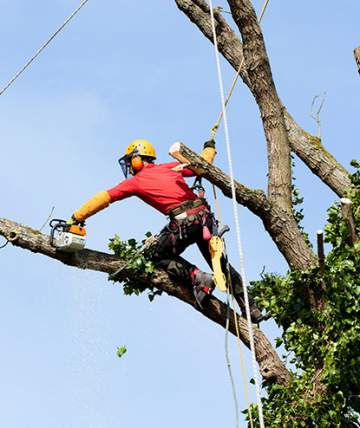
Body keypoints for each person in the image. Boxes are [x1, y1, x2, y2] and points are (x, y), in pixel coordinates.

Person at [69, 139, 264, 322]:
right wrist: (209, 147)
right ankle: (251, 308)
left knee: (156, 255)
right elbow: (203, 164)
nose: (129, 167)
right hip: (204, 219)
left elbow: (105, 197)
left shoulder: (135, 181)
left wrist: (77, 216)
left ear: (137, 159)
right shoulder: (170, 167)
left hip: (184, 222)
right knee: (220, 265)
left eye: (130, 161)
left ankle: (197, 277)